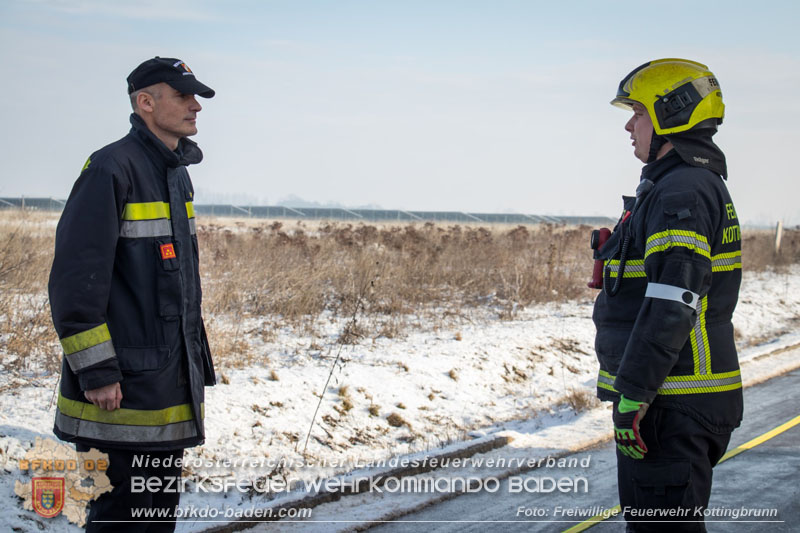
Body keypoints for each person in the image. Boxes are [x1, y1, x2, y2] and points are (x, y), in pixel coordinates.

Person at [48, 57, 216, 532]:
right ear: (146, 103)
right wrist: (96, 370)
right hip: (118, 394)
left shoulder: (175, 173)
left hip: (164, 386)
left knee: (157, 517)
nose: (195, 106)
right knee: (121, 519)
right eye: (182, 95)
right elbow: (76, 281)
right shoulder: (109, 168)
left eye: (196, 96)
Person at [592, 58, 742, 532]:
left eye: (637, 111)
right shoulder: (683, 185)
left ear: (670, 114)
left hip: (669, 403)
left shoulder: (683, 191)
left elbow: (672, 299)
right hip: (674, 399)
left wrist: (634, 395)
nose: (628, 124)